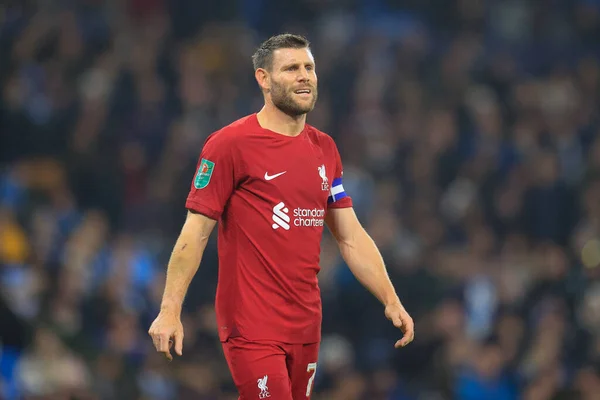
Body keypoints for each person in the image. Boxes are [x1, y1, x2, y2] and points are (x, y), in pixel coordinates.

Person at [148, 33, 414, 399]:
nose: (304, 75)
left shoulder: (325, 149)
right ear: (263, 78)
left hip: (306, 323)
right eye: (291, 68)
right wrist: (169, 309)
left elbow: (350, 235)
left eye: (309, 67)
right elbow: (195, 233)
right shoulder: (229, 145)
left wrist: (390, 297)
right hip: (251, 323)